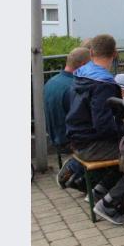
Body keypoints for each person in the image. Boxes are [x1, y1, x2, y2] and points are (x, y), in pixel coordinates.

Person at [65, 34, 124, 225]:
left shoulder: (81, 74)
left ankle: (98, 192)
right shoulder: (104, 83)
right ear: (115, 53)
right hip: (91, 145)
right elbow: (104, 126)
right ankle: (109, 204)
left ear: (91, 52)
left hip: (77, 141)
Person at [49, 47, 90, 188]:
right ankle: (85, 179)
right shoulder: (75, 87)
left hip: (55, 137)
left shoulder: (52, 81)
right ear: (84, 65)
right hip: (70, 141)